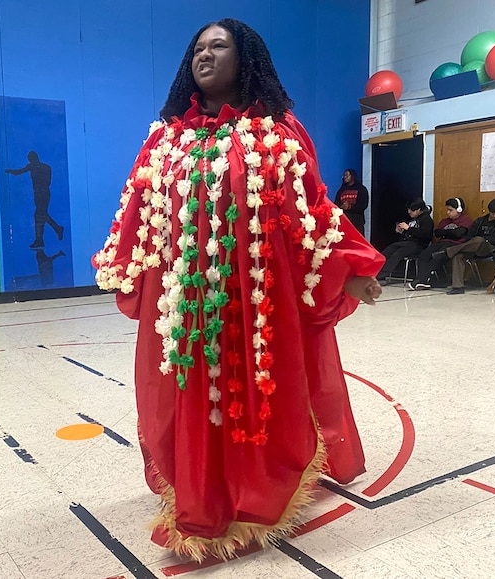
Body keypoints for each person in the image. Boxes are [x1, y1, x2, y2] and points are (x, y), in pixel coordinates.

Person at [93, 18, 384, 561]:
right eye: (198, 49)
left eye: (218, 46)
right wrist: (123, 263)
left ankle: (253, 497)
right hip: (184, 307)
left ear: (244, 57)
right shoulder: (165, 139)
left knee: (255, 395)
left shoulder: (279, 132)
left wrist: (352, 266)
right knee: (187, 398)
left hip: (255, 302)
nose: (204, 55)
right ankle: (198, 495)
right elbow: (139, 208)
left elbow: (310, 209)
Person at [434, 198, 495, 295]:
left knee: (479, 240)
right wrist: (473, 243)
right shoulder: (480, 221)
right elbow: (470, 236)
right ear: (489, 210)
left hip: (492, 248)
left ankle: (448, 252)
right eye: (493, 213)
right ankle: (458, 287)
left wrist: (479, 240)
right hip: (473, 247)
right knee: (458, 255)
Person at [409, 197, 473, 290]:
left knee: (438, 256)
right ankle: (425, 280)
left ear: (459, 210)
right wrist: (451, 233)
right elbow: (437, 233)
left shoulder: (465, 220)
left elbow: (459, 234)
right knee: (423, 255)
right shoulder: (445, 221)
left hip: (455, 245)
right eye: (447, 210)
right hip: (441, 242)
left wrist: (445, 233)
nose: (448, 212)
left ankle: (422, 280)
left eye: (450, 210)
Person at [5, 151, 63, 248]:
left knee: (39, 215)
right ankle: (56, 229)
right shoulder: (46, 167)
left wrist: (9, 171)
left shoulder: (33, 166)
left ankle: (40, 240)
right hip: (43, 194)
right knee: (42, 215)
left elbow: (18, 172)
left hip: (41, 194)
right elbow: (48, 182)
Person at [375, 199, 433, 285]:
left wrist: (408, 228)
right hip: (407, 242)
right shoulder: (413, 219)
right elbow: (410, 233)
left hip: (418, 245)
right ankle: (374, 271)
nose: (409, 212)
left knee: (397, 254)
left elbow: (425, 236)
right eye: (408, 209)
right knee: (389, 250)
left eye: (412, 210)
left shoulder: (427, 220)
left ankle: (380, 276)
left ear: (419, 210)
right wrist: (401, 231)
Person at [334, 168, 369, 237]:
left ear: (353, 176)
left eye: (347, 175)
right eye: (344, 176)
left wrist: (350, 207)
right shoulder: (341, 190)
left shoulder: (361, 189)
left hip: (357, 222)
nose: (345, 177)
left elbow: (363, 205)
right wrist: (341, 206)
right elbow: (336, 203)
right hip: (344, 222)